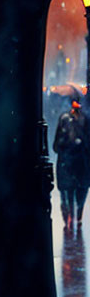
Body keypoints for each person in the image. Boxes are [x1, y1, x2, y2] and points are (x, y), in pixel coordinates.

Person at [53, 98, 90, 229]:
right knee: (79, 190)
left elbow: (56, 145)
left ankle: (70, 216)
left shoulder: (65, 119)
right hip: (79, 161)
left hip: (68, 161)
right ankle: (76, 216)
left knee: (69, 191)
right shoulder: (85, 119)